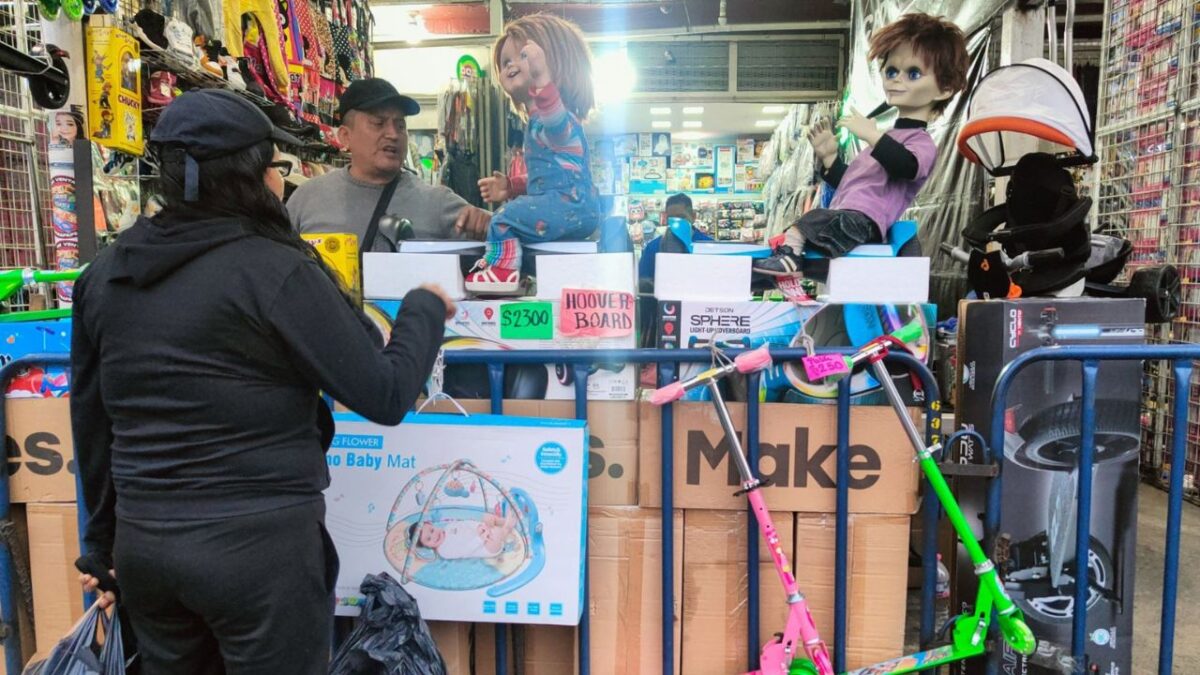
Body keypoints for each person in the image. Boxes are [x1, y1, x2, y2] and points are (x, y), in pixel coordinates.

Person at [71, 89, 454, 675]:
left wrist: (101, 544)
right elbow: (385, 392)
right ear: (256, 176)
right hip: (260, 553)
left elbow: (93, 419)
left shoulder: (105, 273)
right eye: (276, 167)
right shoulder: (276, 269)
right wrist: (422, 310)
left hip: (147, 548)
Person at [754, 13, 968, 276]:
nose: (896, 79)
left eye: (913, 73)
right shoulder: (883, 142)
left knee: (812, 219)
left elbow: (908, 167)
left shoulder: (919, 142)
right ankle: (791, 259)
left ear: (944, 89)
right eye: (891, 71)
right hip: (848, 216)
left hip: (864, 222)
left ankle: (789, 259)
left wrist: (874, 136)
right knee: (811, 223)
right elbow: (854, 182)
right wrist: (830, 158)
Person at [468, 14, 600, 294]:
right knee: (515, 216)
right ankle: (516, 271)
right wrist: (512, 185)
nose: (512, 65)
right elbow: (549, 174)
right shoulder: (537, 122)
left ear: (556, 60)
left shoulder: (554, 118)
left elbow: (556, 121)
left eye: (524, 55)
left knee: (503, 219)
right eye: (505, 62)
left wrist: (542, 80)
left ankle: (500, 272)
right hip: (573, 204)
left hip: (568, 204)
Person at [288, 78, 491, 250]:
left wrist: (486, 222)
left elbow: (510, 237)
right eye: (378, 123)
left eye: (400, 125)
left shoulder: (437, 203)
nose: (393, 134)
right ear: (345, 136)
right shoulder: (306, 199)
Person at [636, 193, 713, 282]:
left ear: (693, 216)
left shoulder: (709, 246)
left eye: (681, 217)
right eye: (671, 218)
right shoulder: (653, 248)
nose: (676, 222)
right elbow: (643, 284)